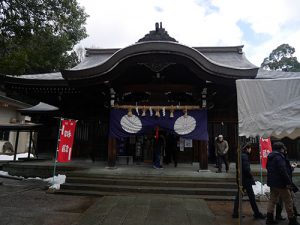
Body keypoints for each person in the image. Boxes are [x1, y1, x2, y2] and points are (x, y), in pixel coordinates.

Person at [266, 142, 300, 225]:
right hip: (281, 184)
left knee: (272, 201)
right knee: (288, 201)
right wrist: (289, 182)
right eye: (283, 147)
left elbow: (267, 167)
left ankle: (269, 219)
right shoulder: (279, 157)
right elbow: (283, 171)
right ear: (281, 148)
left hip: (272, 183)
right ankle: (292, 220)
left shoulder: (270, 156)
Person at [232, 142, 266, 219]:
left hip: (241, 179)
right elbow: (246, 169)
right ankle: (257, 213)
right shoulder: (244, 156)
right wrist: (251, 177)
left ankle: (235, 212)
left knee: (239, 196)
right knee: (251, 197)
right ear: (247, 149)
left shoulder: (240, 155)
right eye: (250, 148)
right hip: (246, 180)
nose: (250, 150)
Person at [275, 148, 300, 221]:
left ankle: (293, 213)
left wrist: (291, 167)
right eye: (285, 151)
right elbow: (286, 172)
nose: (285, 152)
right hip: (285, 183)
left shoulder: (279, 158)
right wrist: (292, 167)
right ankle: (291, 217)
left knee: (287, 198)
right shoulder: (282, 159)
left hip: (282, 182)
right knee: (288, 199)